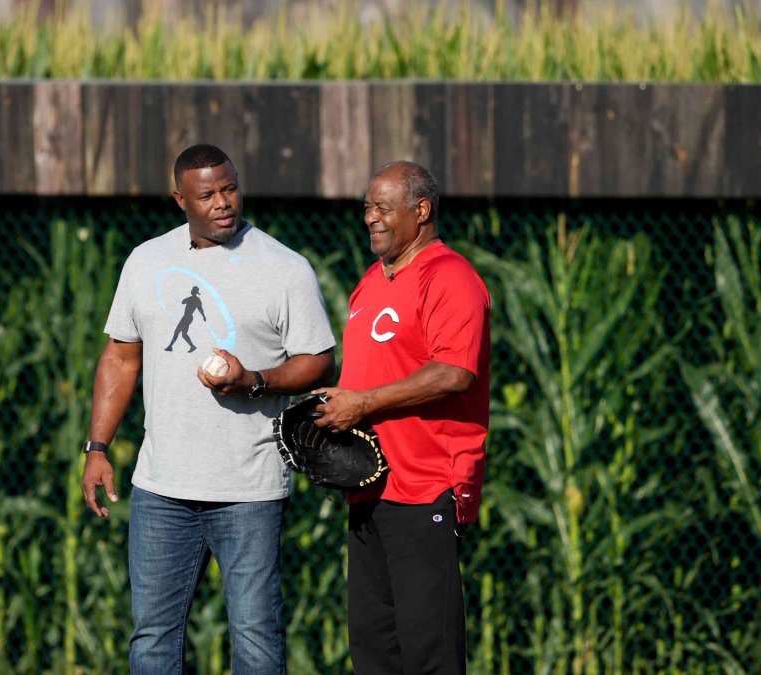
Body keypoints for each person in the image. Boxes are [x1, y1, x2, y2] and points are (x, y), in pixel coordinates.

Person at [80, 144, 337, 675]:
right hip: (161, 489)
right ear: (180, 199)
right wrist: (97, 447)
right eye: (207, 194)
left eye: (229, 188)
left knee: (256, 636)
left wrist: (255, 380)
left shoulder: (284, 267)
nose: (222, 202)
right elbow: (120, 357)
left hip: (248, 489)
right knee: (152, 637)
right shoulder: (147, 260)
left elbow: (320, 362)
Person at [313, 161, 491, 675]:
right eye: (367, 207)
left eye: (383, 208)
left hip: (425, 487)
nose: (370, 218)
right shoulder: (370, 283)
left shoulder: (450, 276)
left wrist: (362, 405)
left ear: (422, 210)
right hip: (370, 486)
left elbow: (454, 373)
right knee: (374, 649)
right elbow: (364, 379)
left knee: (428, 653)